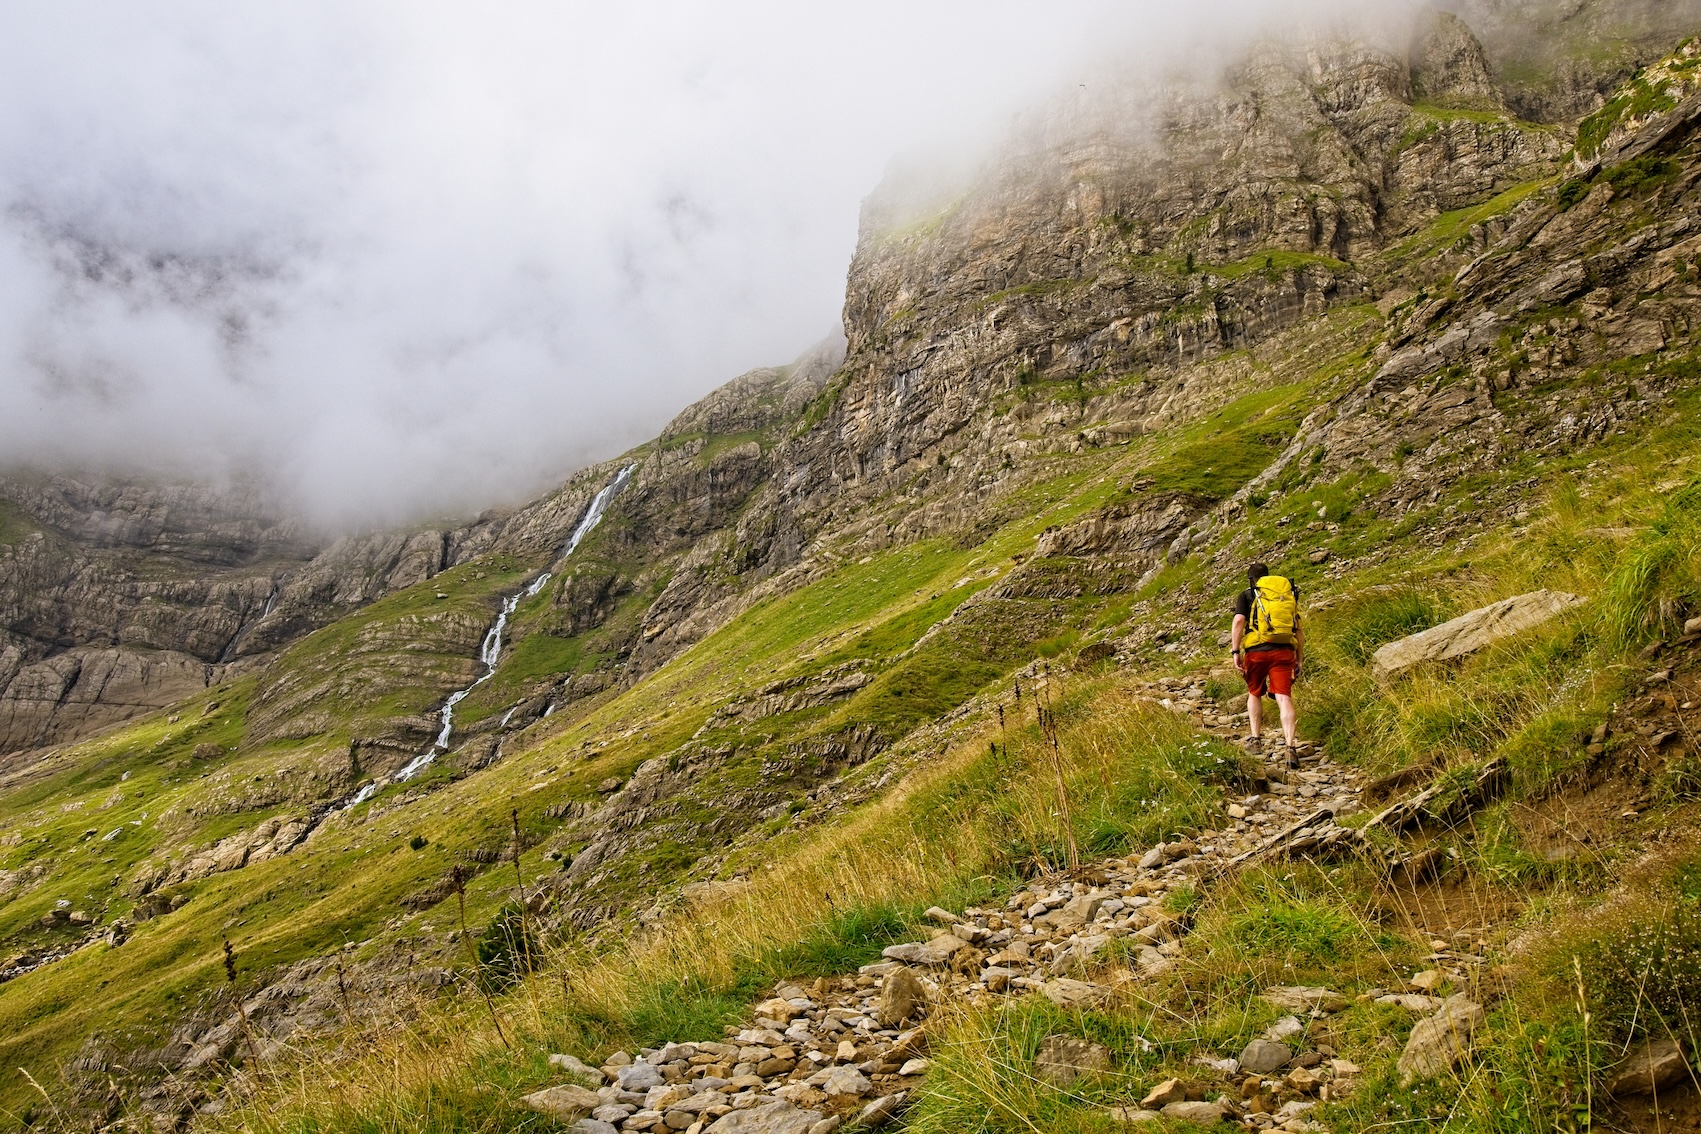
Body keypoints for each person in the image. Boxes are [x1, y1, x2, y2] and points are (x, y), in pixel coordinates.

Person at [1230, 561, 1303, 758]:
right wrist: (1299, 658)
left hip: (1256, 651)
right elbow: (1298, 629)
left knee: (1254, 693)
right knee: (1284, 697)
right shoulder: (1285, 594)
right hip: (1284, 650)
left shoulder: (1247, 594)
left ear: (1251, 579)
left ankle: (1255, 740)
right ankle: (1290, 747)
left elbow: (1238, 622)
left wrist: (1235, 652)